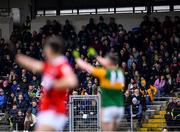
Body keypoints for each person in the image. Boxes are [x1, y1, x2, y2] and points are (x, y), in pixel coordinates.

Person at [16, 35, 78, 131]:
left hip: (54, 110)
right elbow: (35, 65)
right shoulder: (51, 64)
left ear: (52, 49)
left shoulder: (61, 63)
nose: (44, 51)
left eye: (46, 48)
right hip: (47, 109)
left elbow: (72, 81)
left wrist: (54, 84)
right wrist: (17, 56)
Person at [73, 48, 125, 131]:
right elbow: (106, 62)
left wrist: (77, 58)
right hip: (119, 108)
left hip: (109, 107)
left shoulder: (104, 73)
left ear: (109, 62)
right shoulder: (119, 72)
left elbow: (87, 67)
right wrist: (96, 56)